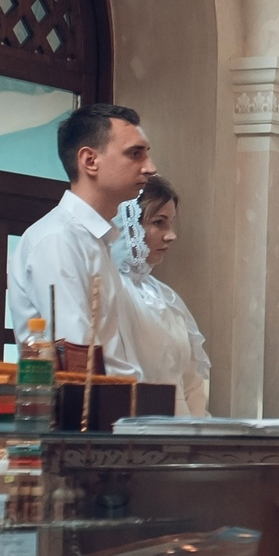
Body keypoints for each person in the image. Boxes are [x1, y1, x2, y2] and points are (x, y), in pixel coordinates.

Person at [6, 104, 157, 373]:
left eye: (147, 154)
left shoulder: (99, 239)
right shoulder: (59, 239)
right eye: (135, 154)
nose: (150, 168)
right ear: (89, 161)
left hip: (115, 404)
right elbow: (77, 362)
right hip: (85, 409)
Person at [112, 174, 212, 416]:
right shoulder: (112, 290)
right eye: (159, 222)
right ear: (128, 226)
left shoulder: (163, 295)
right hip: (137, 431)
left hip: (180, 434)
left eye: (171, 222)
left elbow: (192, 383)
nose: (171, 235)